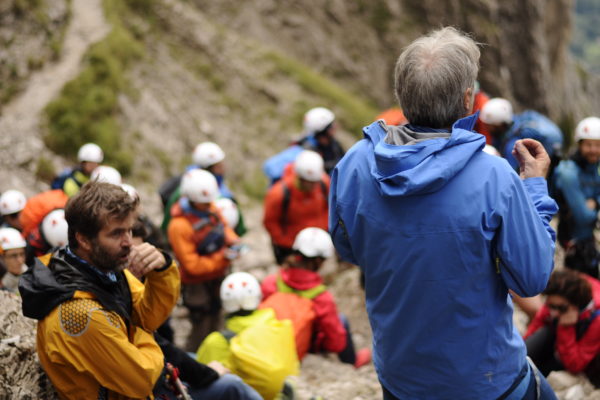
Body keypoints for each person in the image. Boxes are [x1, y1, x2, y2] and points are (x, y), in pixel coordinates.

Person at [329, 27, 558, 399]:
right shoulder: (494, 176)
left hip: (401, 380)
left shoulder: (356, 163)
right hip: (484, 382)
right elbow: (532, 278)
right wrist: (533, 187)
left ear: (402, 95)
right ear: (469, 100)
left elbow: (349, 248)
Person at [261, 227, 371, 368]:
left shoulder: (271, 282)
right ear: (319, 261)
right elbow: (336, 343)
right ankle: (352, 361)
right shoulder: (321, 297)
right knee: (341, 320)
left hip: (271, 342)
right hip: (301, 347)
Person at [167, 169, 241, 352]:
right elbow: (192, 266)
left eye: (210, 202)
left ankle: (213, 355)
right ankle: (194, 357)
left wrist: (233, 242)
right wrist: (223, 258)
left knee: (217, 317)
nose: (209, 206)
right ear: (192, 200)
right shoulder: (179, 226)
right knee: (201, 323)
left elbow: (224, 228)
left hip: (217, 277)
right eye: (204, 203)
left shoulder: (211, 210)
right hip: (196, 284)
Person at [197, 272, 298, 400]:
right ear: (258, 296)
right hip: (280, 388)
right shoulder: (278, 327)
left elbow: (203, 379)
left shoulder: (217, 341)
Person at [524, 269, 600, 388]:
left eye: (561, 308)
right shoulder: (560, 298)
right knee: (541, 336)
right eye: (550, 306)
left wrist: (566, 327)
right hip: (563, 345)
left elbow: (575, 364)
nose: (553, 313)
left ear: (577, 305)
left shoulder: (597, 319)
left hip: (584, 359)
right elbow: (535, 328)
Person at [161, 142, 246, 236]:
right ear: (209, 168)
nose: (224, 169)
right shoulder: (217, 193)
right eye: (219, 166)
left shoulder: (186, 183)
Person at [553, 117, 600, 279]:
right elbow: (583, 217)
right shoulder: (568, 173)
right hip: (573, 239)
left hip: (588, 238)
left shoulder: (595, 167)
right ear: (579, 145)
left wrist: (596, 203)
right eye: (588, 144)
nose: (594, 149)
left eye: (598, 145)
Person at [263, 150, 329, 265]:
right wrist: (286, 243)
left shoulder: (324, 184)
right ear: (299, 177)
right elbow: (270, 222)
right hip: (290, 247)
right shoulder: (278, 194)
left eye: (314, 182)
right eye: (306, 181)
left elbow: (330, 208)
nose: (312, 186)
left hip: (318, 243)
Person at [479, 97, 564, 173]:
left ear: (498, 125)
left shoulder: (512, 146)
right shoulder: (518, 122)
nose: (486, 128)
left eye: (489, 125)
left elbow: (511, 175)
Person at [0, 227, 27, 292]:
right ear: (1, 258)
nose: (20, 261)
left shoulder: (31, 275)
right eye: (13, 256)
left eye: (22, 254)